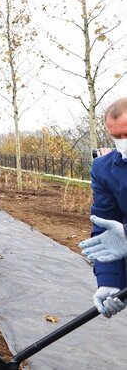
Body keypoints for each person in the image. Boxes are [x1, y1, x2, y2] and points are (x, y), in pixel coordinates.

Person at [79, 98, 127, 318]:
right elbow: (106, 227)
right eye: (116, 137)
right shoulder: (104, 169)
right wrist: (110, 281)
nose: (122, 142)